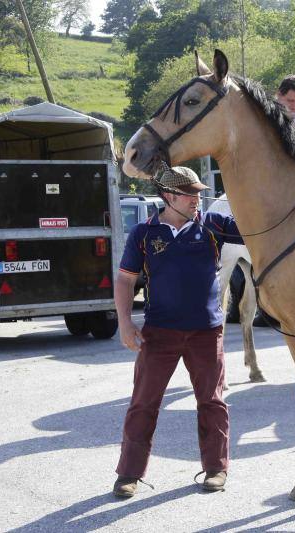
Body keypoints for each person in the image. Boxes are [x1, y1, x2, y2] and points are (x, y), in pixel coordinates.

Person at [112, 166, 244, 498]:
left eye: (199, 193)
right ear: (169, 196)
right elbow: (126, 280)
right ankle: (128, 474)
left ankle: (216, 469)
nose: (198, 199)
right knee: (143, 403)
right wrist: (125, 322)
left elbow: (256, 231)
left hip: (206, 332)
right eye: (191, 193)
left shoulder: (213, 226)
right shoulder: (143, 233)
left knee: (212, 402)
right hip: (159, 333)